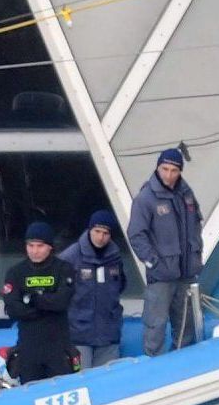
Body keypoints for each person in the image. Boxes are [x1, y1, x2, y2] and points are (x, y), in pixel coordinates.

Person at [127, 148, 204, 355]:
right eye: (165, 169)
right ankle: (155, 374)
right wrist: (153, 262)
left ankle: (182, 371)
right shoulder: (146, 198)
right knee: (156, 327)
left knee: (186, 329)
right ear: (158, 167)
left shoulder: (187, 195)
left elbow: (196, 228)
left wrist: (197, 257)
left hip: (186, 274)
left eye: (174, 170)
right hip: (161, 276)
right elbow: (136, 234)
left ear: (180, 171)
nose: (169, 175)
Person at [1, 222, 76, 383]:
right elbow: (13, 308)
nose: (34, 251)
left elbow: (61, 302)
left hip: (58, 348)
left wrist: (31, 300)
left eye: (40, 246)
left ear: (49, 247)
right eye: (30, 246)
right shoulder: (16, 272)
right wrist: (45, 306)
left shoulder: (63, 268)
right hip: (29, 348)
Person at [61, 209, 127, 370]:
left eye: (105, 233)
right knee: (80, 383)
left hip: (108, 333)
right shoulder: (71, 256)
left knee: (107, 385)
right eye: (97, 231)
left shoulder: (115, 257)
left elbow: (121, 285)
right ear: (89, 230)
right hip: (79, 334)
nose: (101, 237)